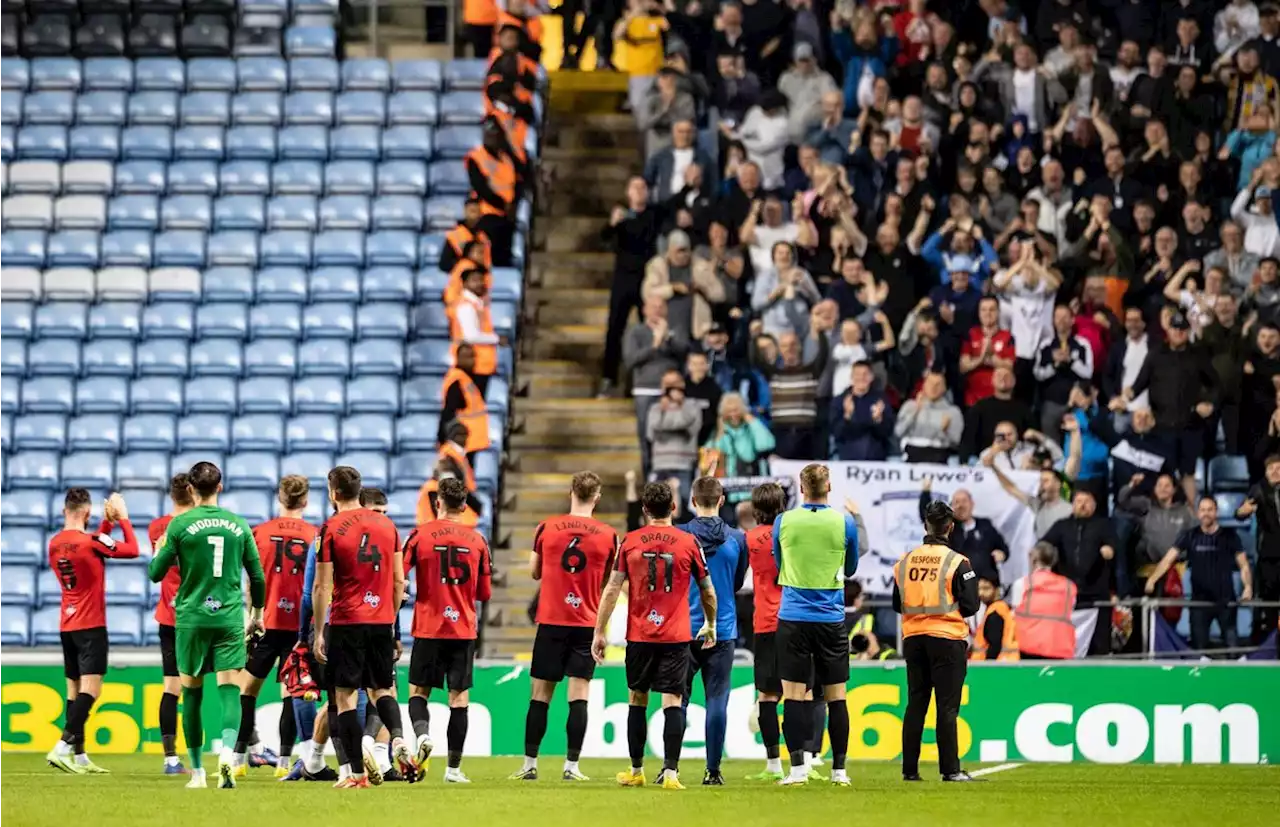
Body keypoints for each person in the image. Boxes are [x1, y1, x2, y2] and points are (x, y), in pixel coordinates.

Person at [592, 482, 717, 790]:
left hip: (640, 634)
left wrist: (599, 630)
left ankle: (636, 770)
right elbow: (708, 590)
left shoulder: (630, 541)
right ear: (673, 507)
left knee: (637, 699)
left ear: (645, 510)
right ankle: (671, 773)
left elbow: (611, 589)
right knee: (673, 701)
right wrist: (711, 623)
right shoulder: (689, 542)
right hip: (675, 635)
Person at [147, 462, 265, 790]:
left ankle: (197, 772)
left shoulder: (179, 524)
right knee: (230, 689)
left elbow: (156, 573)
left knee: (192, 693)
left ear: (190, 490)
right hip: (227, 617)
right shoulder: (239, 525)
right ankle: (228, 752)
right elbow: (257, 576)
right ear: (220, 487)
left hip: (191, 618)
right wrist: (257, 614)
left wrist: (157, 553)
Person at [311, 466, 416, 788]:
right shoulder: (389, 526)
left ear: (333, 493)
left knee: (344, 698)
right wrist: (390, 615)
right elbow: (400, 580)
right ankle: (398, 740)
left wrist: (318, 632)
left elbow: (321, 586)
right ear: (358, 490)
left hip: (347, 620)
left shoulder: (330, 528)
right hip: (382, 620)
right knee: (382, 689)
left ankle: (357, 774)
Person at [512, 472, 619, 782]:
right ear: (597, 497)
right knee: (579, 694)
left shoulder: (547, 528)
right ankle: (571, 767)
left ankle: (529, 764)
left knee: (540, 695)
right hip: (586, 622)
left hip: (551, 620)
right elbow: (610, 581)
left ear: (571, 491)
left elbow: (534, 572)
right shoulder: (609, 535)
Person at [773, 464, 863, 787]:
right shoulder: (844, 522)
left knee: (794, 696)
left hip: (793, 617)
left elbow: (778, 562)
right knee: (837, 696)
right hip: (831, 619)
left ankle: (797, 770)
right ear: (829, 487)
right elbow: (851, 567)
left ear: (801, 488)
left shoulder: (783, 521)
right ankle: (839, 771)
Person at [404, 477, 494, 784]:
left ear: (438, 502)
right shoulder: (478, 541)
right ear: (465, 506)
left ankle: (422, 735)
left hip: (428, 625)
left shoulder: (419, 536)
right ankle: (453, 769)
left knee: (418, 692)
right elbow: (484, 593)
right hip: (462, 630)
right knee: (459, 698)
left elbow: (398, 577)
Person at [46, 489, 139, 775]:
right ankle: (61, 747)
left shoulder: (54, 543)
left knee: (74, 692)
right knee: (92, 690)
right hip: (91, 626)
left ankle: (80, 756)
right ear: (87, 513)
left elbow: (91, 547)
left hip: (67, 625)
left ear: (65, 511)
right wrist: (121, 518)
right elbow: (132, 549)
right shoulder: (93, 541)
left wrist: (105, 524)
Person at [231, 475, 317, 778]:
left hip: (265, 622)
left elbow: (249, 580)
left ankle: (238, 759)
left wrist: (252, 613)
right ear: (305, 500)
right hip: (298, 627)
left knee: (247, 690)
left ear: (280, 498)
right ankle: (283, 763)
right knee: (290, 692)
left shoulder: (259, 533)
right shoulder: (314, 535)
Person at [894, 499, 980, 783]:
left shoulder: (904, 562)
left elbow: (898, 604)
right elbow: (971, 605)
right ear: (950, 527)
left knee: (916, 704)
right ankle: (950, 770)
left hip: (914, 639)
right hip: (946, 639)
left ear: (925, 526)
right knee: (947, 706)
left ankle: (909, 770)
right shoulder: (958, 562)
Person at [679, 477, 748, 786]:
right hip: (722, 628)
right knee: (717, 699)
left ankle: (670, 767)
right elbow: (736, 581)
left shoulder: (680, 536)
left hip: (684, 628)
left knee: (676, 700)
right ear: (722, 500)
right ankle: (713, 771)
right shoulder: (737, 538)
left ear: (693, 501)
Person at [1146, 497, 1253, 654]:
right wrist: (1153, 579)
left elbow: (1243, 565)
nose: (1206, 513)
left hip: (1226, 602)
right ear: (1197, 513)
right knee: (1198, 653)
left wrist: (1248, 587)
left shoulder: (1230, 536)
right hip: (1199, 604)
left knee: (1233, 651)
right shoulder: (1190, 535)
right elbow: (1168, 559)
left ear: (1216, 512)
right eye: (1203, 510)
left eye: (1210, 509)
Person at [743, 482, 791, 782]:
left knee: (767, 696)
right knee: (804, 694)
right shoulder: (792, 535)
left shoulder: (750, 539)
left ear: (756, 509)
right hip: (796, 619)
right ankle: (806, 762)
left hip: (765, 623)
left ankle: (774, 765)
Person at [149, 474, 192, 775]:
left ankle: (170, 759)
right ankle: (248, 749)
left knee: (171, 689)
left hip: (169, 615)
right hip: (201, 615)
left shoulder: (157, 527)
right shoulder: (201, 525)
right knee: (231, 679)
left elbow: (156, 567)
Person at [1041, 490, 1117, 656]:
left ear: (1094, 505)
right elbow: (1043, 545)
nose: (1082, 505)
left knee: (1099, 643)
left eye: (1087, 501)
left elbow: (1113, 546)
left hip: (1095, 594)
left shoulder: (1104, 525)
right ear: (1072, 505)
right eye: (1078, 501)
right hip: (1067, 594)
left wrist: (1108, 550)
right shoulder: (1061, 526)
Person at [1010, 542, 1078, 660]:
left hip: (1028, 646)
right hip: (1061, 647)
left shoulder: (1022, 584)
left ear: (1033, 558)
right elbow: (1070, 611)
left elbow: (1013, 614)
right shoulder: (1069, 586)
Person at [1238, 454, 1280, 642]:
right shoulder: (1259, 489)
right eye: (1271, 469)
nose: (1275, 472)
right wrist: (1242, 511)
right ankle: (1270, 645)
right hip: (1269, 557)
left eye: (1278, 468)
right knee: (1269, 604)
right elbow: (1239, 514)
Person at [440, 343, 492, 458]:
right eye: (467, 357)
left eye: (473, 357)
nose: (472, 361)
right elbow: (448, 412)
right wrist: (442, 438)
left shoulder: (467, 379)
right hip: (462, 441)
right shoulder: (457, 381)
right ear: (458, 358)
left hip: (472, 441)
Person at [970, 576, 1019, 661]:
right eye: (979, 589)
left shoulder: (995, 613)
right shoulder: (1000, 609)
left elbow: (995, 646)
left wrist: (988, 665)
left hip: (989, 666)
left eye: (986, 588)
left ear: (996, 590)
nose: (981, 593)